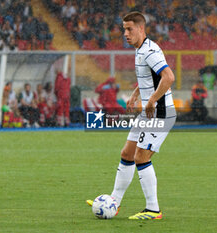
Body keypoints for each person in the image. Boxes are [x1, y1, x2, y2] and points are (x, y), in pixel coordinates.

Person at [86, 12, 176, 220]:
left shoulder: (150, 51)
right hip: (148, 111)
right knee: (127, 153)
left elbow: (168, 77)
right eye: (124, 29)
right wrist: (137, 94)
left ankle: (153, 210)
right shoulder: (140, 50)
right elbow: (149, 77)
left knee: (141, 157)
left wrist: (152, 99)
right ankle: (114, 202)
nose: (125, 33)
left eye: (129, 29)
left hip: (160, 113)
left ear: (141, 29)